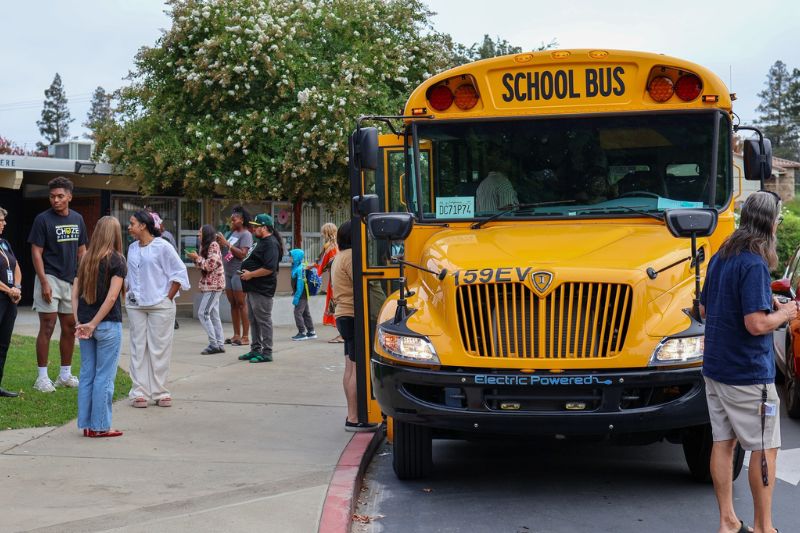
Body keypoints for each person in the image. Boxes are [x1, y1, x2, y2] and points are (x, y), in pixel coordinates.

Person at [700, 190, 793, 533]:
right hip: (747, 373)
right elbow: (755, 324)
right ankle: (763, 527)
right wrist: (784, 313)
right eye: (779, 220)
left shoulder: (722, 255)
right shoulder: (754, 262)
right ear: (769, 223)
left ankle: (727, 522)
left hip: (715, 369)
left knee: (723, 443)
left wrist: (764, 299)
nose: (779, 226)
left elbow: (705, 309)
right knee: (766, 447)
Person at [28, 176, 88, 392]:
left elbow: (82, 251)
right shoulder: (42, 220)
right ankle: (41, 378)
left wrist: (83, 278)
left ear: (69, 196)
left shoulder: (78, 218)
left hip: (71, 280)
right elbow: (36, 252)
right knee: (48, 326)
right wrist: (44, 282)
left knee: (70, 327)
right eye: (52, 196)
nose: (56, 200)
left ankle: (64, 375)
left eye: (60, 196)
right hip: (49, 277)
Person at [125, 210, 190, 408]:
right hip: (136, 305)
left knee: (159, 349)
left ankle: (160, 392)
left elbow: (179, 272)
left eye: (132, 223)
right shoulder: (132, 248)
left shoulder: (163, 246)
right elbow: (130, 276)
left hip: (160, 305)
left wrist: (167, 298)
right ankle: (139, 392)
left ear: (143, 225)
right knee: (138, 348)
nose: (129, 227)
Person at [72, 216, 126, 437]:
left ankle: (86, 425)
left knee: (87, 375)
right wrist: (94, 324)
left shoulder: (85, 259)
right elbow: (113, 297)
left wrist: (80, 322)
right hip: (107, 325)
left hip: (85, 326)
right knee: (104, 376)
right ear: (115, 234)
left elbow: (74, 295)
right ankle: (101, 426)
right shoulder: (117, 260)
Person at [330, 220, 378, 432]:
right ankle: (356, 416)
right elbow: (367, 286)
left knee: (351, 366)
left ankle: (352, 414)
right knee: (359, 367)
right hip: (355, 314)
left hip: (343, 314)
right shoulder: (352, 257)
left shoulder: (338, 257)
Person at [238, 214, 282, 363]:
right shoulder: (260, 241)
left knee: (263, 320)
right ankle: (255, 349)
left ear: (264, 228)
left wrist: (251, 274)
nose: (253, 229)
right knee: (254, 320)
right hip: (252, 287)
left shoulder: (271, 244)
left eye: (256, 226)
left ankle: (267, 352)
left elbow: (270, 268)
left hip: (262, 288)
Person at [216, 206, 252, 346]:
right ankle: (236, 335)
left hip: (238, 272)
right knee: (233, 304)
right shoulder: (233, 233)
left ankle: (245, 337)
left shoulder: (246, 234)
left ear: (242, 220)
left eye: (234, 218)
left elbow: (243, 254)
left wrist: (227, 244)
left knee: (242, 304)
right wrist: (221, 243)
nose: (232, 220)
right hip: (228, 272)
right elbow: (228, 252)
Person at [188, 224, 225, 354]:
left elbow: (210, 266)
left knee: (203, 313)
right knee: (214, 315)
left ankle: (214, 344)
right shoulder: (204, 246)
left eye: (200, 233)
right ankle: (219, 344)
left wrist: (196, 258)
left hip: (214, 286)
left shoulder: (213, 245)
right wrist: (195, 259)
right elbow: (202, 266)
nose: (198, 235)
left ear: (206, 234)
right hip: (210, 285)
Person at [0, 207, 21, 398]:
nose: (4, 223)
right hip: (3, 296)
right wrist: (9, 290)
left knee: (3, 343)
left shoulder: (4, 243)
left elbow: (16, 267)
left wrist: (18, 288)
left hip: (10, 301)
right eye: (1, 220)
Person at [310, 222, 341, 342]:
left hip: (335, 280)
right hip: (337, 278)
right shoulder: (337, 245)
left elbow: (323, 264)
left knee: (335, 305)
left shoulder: (330, 247)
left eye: (323, 232)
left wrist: (314, 268)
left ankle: (341, 334)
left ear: (327, 232)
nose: (322, 234)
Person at [150, 212, 180, 330]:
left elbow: (173, 254)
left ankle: (172, 320)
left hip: (166, 273)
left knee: (168, 298)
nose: (161, 225)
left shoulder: (166, 237)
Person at [289, 248, 316, 341]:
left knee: (297, 312)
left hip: (301, 294)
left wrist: (296, 297)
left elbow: (300, 284)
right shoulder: (297, 267)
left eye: (292, 257)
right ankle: (311, 331)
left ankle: (302, 333)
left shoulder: (300, 268)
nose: (290, 259)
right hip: (303, 294)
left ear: (296, 257)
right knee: (305, 313)